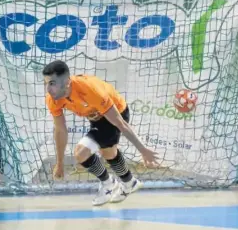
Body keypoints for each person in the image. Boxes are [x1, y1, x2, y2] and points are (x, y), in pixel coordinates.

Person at [43, 60, 159, 206]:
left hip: (117, 112)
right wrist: (59, 163)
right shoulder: (53, 99)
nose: (48, 89)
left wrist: (142, 149)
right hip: (97, 117)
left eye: (52, 83)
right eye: (46, 83)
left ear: (66, 82)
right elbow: (60, 130)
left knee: (82, 153)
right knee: (108, 153)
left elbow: (119, 123)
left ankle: (110, 184)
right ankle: (129, 182)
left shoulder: (90, 90)